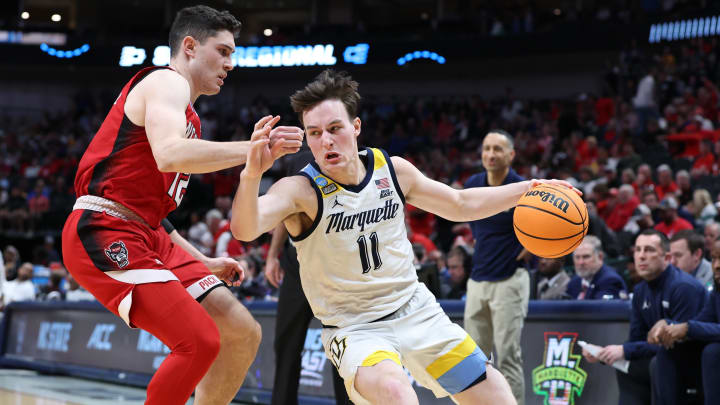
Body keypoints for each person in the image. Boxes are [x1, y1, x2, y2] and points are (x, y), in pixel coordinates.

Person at [230, 70, 577, 404]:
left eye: (335, 129)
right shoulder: (299, 190)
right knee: (397, 393)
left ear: (356, 127)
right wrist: (251, 174)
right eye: (315, 132)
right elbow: (245, 229)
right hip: (355, 328)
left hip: (415, 310)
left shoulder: (393, 169)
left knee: (494, 392)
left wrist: (528, 189)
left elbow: (459, 203)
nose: (326, 141)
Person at [60, 5, 303, 404]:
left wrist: (202, 260)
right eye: (223, 51)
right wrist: (254, 150)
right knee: (198, 339)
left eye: (233, 54)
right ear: (189, 46)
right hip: (103, 226)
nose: (230, 63)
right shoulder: (165, 82)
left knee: (240, 330)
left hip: (147, 232)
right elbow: (170, 155)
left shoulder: (187, 114)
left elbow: (158, 217)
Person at [264, 146, 349, 405]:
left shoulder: (349, 157)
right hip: (296, 265)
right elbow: (285, 212)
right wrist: (272, 256)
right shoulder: (300, 159)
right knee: (286, 344)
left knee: (343, 348)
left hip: (336, 268)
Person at [582, 229, 706, 405]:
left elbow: (683, 343)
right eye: (637, 250)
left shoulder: (684, 287)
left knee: (657, 363)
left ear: (667, 258)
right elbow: (636, 339)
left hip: (690, 361)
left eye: (649, 250)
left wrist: (625, 350)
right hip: (659, 358)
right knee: (627, 366)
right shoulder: (640, 291)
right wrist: (605, 353)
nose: (641, 256)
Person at [463, 129, 530, 404]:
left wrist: (525, 252)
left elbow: (544, 232)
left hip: (509, 281)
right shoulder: (473, 184)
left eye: (498, 149)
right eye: (487, 148)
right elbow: (475, 226)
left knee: (508, 357)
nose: (491, 154)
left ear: (511, 155)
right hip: (477, 281)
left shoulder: (521, 188)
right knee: (471, 359)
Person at [648, 237, 720, 405]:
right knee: (669, 350)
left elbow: (693, 327)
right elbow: (701, 322)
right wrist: (668, 325)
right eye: (714, 258)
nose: (717, 265)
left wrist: (687, 328)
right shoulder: (716, 291)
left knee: (714, 351)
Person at [566, 235, 627, 300]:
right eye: (577, 257)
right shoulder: (574, 282)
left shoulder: (610, 281)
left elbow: (601, 309)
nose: (581, 262)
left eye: (586, 257)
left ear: (600, 257)